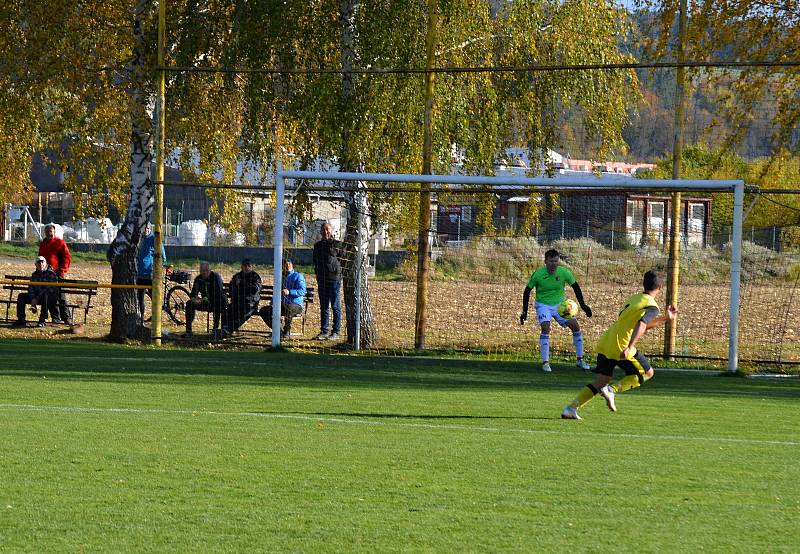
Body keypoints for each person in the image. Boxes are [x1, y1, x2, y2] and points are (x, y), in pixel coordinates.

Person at [561, 270, 678, 420]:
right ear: (661, 287)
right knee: (648, 373)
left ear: (644, 284)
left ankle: (570, 409)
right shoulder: (652, 306)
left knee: (602, 380)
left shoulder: (635, 299)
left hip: (607, 341)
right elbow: (642, 324)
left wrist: (665, 318)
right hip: (622, 345)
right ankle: (611, 390)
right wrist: (630, 346)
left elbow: (637, 324)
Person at [520, 249, 592, 373]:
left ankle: (580, 360)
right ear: (545, 261)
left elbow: (576, 287)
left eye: (556, 261)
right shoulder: (538, 274)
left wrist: (583, 305)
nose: (553, 264)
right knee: (546, 327)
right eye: (551, 261)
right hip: (543, 305)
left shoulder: (564, 272)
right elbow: (527, 291)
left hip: (560, 306)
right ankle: (545, 362)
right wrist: (524, 311)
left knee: (575, 326)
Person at [260, 258, 306, 339]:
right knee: (264, 310)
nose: (287, 265)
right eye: (285, 264)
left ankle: (286, 330)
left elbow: (302, 291)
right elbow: (277, 291)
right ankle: (277, 331)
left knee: (289, 308)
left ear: (292, 265)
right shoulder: (281, 277)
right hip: (283, 305)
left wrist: (290, 292)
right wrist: (273, 300)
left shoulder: (298, 276)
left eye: (289, 263)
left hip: (296, 305)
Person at [312, 222, 343, 340]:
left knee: (335, 306)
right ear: (320, 231)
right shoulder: (317, 246)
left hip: (334, 280)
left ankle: (336, 332)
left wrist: (338, 274)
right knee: (324, 306)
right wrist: (317, 275)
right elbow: (315, 262)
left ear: (332, 231)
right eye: (323, 230)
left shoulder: (337, 245)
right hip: (322, 280)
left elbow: (343, 261)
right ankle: (324, 331)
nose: (326, 232)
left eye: (328, 230)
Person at [38, 223, 72, 324]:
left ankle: (66, 318)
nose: (49, 233)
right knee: (49, 296)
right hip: (45, 274)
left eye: (51, 231)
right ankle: (55, 318)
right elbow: (40, 257)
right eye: (47, 231)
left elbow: (67, 257)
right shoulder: (43, 243)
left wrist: (63, 270)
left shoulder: (60, 243)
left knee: (61, 296)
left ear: (54, 232)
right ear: (45, 232)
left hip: (57, 273)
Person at [183, 261, 226, 338]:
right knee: (189, 303)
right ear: (200, 271)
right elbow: (193, 293)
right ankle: (188, 331)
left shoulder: (216, 277)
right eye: (202, 270)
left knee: (217, 303)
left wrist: (203, 299)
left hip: (218, 301)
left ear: (210, 270)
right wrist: (195, 299)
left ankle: (215, 329)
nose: (204, 272)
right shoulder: (198, 279)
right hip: (206, 303)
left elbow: (218, 292)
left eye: (206, 270)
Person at [12, 256, 59, 328]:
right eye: (38, 262)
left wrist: (36, 298)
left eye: (42, 262)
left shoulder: (52, 274)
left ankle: (42, 320)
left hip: (48, 298)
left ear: (46, 263)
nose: (40, 264)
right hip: (36, 297)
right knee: (21, 296)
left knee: (45, 296)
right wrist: (32, 298)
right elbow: (31, 287)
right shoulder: (34, 275)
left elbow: (48, 289)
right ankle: (21, 319)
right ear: (35, 265)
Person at [136, 222, 166, 320]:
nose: (146, 230)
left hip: (150, 273)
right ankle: (141, 318)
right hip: (139, 274)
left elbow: (161, 251)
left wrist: (163, 263)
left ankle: (156, 317)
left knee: (154, 297)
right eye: (145, 228)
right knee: (140, 297)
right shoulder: (140, 239)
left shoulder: (153, 238)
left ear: (150, 229)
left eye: (148, 229)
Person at [224, 258, 262, 333]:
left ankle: (229, 329)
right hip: (237, 301)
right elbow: (231, 289)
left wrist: (242, 284)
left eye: (249, 265)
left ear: (251, 266)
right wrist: (236, 293)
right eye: (245, 265)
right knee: (227, 310)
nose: (247, 267)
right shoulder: (237, 276)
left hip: (250, 303)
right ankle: (224, 328)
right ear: (241, 267)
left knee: (243, 313)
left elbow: (255, 289)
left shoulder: (255, 276)